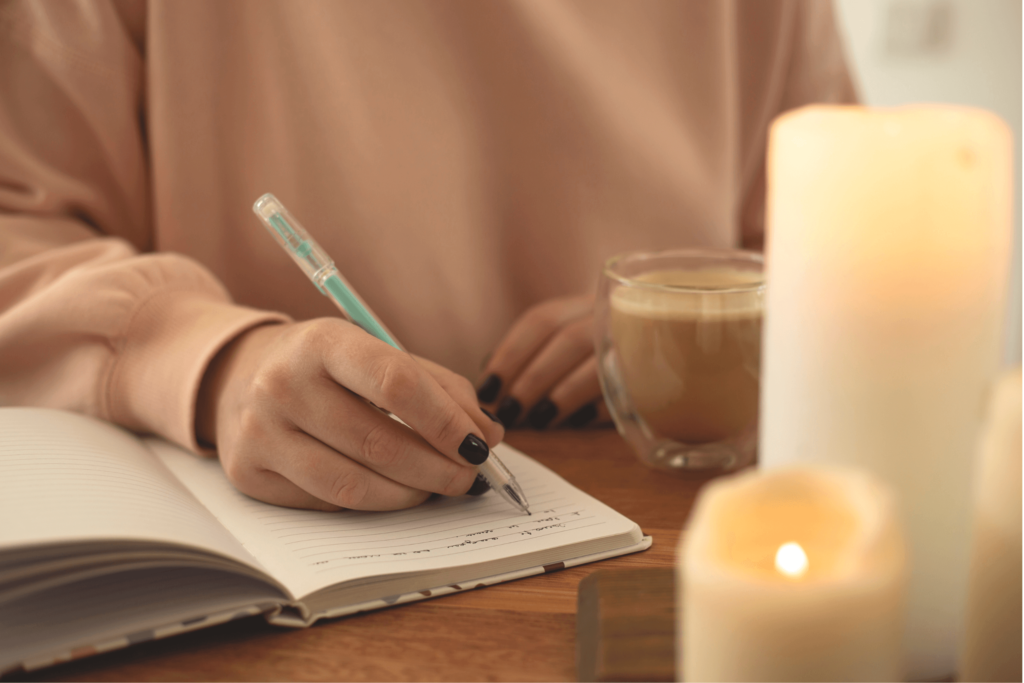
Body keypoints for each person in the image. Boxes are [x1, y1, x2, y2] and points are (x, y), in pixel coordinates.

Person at [0, 0, 856, 511]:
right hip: (259, 543)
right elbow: (20, 231)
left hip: (682, 508)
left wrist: (687, 327)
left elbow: (849, 237)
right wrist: (216, 362)